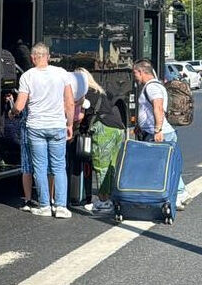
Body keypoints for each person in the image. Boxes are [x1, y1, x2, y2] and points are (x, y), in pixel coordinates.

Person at [12, 43, 74, 219]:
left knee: (39, 167)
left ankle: (45, 206)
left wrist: (12, 112)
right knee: (59, 167)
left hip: (36, 127)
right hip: (57, 126)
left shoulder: (27, 76)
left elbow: (20, 105)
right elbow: (69, 103)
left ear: (33, 58)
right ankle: (61, 206)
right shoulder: (62, 73)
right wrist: (69, 125)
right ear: (48, 56)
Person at [132, 59, 188, 209]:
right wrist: (140, 125)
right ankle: (180, 192)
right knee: (167, 164)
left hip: (160, 133)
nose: (134, 77)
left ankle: (179, 193)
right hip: (156, 131)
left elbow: (157, 107)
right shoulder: (153, 86)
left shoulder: (152, 87)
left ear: (142, 72)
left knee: (164, 166)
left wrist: (157, 130)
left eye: (135, 73)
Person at [75, 68, 125, 216]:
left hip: (104, 129)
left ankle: (104, 201)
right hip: (118, 128)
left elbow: (79, 117)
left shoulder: (85, 94)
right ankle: (112, 197)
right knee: (111, 165)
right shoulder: (99, 91)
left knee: (100, 165)